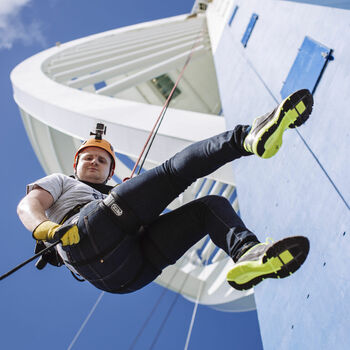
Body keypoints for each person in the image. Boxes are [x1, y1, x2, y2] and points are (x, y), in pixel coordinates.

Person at [17, 89, 313, 293]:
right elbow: (28, 206)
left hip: (128, 276)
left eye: (103, 160)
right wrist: (46, 228)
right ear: (75, 164)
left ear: (111, 171)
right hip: (84, 233)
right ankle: (246, 137)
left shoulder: (109, 194)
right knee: (173, 174)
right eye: (88, 158)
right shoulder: (63, 181)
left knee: (209, 207)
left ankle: (247, 253)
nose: (94, 161)